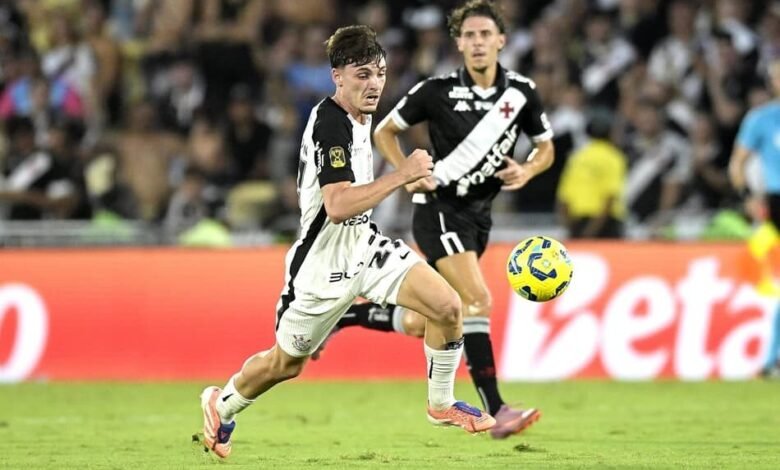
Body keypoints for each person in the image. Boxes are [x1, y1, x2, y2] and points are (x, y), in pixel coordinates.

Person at [199, 25, 495, 459]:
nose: (374, 84)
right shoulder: (330, 124)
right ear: (337, 76)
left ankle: (441, 404)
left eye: (379, 73)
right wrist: (402, 175)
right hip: (322, 264)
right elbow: (336, 205)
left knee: (447, 306)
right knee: (287, 364)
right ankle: (220, 404)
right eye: (362, 74)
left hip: (365, 245)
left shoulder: (361, 114)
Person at [321, 1, 554, 439]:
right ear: (459, 43)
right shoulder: (437, 90)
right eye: (469, 36)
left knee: (426, 319)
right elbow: (385, 131)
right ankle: (498, 409)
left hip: (478, 218)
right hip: (438, 210)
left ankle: (349, 317)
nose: (478, 42)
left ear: (501, 41)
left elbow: (546, 147)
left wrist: (529, 169)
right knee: (478, 299)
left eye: (486, 34)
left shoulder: (521, 92)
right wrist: (408, 175)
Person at [728, 58, 780, 377]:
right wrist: (748, 197)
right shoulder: (762, 119)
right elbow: (737, 165)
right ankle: (770, 359)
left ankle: (770, 359)